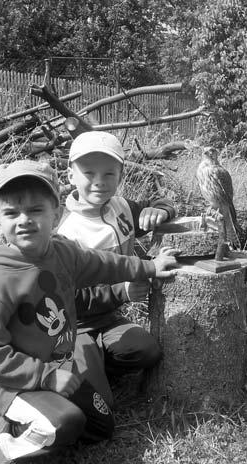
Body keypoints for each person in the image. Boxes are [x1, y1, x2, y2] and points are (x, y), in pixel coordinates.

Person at [0, 159, 179, 464]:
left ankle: (46, 411)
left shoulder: (62, 252)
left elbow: (105, 264)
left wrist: (149, 267)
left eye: (36, 210)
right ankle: (12, 441)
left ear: (56, 214)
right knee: (66, 423)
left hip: (57, 366)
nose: (24, 220)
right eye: (11, 213)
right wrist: (46, 377)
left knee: (101, 427)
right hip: (10, 381)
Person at [57, 131, 176, 379]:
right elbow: (70, 298)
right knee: (80, 376)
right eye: (89, 173)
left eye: (109, 173)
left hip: (108, 318)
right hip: (76, 324)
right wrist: (122, 291)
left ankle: (99, 362)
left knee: (147, 350)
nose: (99, 181)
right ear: (71, 175)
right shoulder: (68, 233)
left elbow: (162, 203)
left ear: (120, 176)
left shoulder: (121, 207)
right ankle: (81, 361)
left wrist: (159, 211)